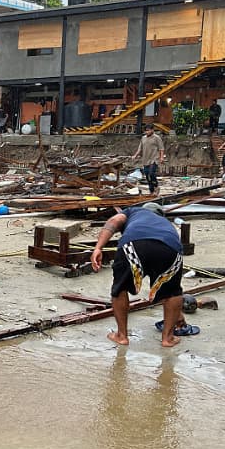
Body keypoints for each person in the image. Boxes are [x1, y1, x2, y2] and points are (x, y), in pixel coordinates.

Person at [90, 202, 191, 348]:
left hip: (132, 245)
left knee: (120, 288)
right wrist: (178, 315)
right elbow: (171, 296)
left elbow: (113, 221)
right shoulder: (165, 223)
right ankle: (168, 338)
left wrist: (98, 248)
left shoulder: (133, 210)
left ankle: (122, 336)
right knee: (172, 292)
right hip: (169, 247)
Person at [132, 124, 164, 196]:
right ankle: (151, 191)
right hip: (146, 159)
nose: (147, 132)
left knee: (151, 173)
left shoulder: (157, 138)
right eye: (146, 130)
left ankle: (156, 187)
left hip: (154, 159)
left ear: (152, 130)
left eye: (148, 130)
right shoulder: (143, 138)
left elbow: (161, 148)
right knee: (147, 175)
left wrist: (161, 157)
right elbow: (140, 148)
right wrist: (135, 155)